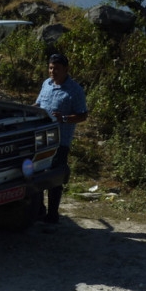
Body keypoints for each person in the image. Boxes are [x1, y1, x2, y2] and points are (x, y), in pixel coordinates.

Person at [35, 53, 88, 224]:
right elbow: (38, 104)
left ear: (66, 69)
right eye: (51, 68)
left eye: (57, 68)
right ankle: (39, 210)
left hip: (60, 142)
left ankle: (53, 216)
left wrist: (64, 118)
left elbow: (83, 115)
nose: (53, 71)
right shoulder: (46, 84)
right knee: (36, 175)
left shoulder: (75, 90)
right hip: (40, 140)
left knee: (54, 178)